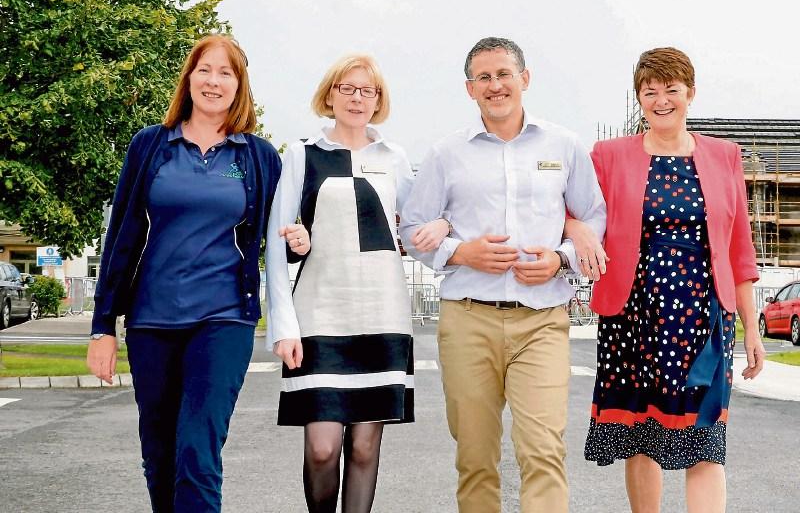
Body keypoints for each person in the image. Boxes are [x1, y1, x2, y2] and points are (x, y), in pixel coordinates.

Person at [399, 37, 607, 513]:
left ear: (524, 79)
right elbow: (412, 229)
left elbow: (592, 216)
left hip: (541, 321)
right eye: (484, 78)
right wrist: (461, 252)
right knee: (475, 458)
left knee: (544, 453)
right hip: (468, 320)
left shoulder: (564, 145)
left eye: (504, 75)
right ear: (470, 89)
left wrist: (560, 258)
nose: (496, 86)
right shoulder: (445, 154)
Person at [86, 35, 288, 512]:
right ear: (189, 78)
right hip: (152, 320)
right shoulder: (151, 145)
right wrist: (103, 326)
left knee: (198, 452)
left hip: (224, 319)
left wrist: (299, 241)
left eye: (225, 73)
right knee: (159, 456)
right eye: (205, 70)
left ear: (240, 87)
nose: (213, 81)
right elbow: (122, 236)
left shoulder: (258, 157)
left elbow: (283, 239)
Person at [573, 46, 765, 513]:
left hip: (704, 314)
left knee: (705, 437)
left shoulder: (724, 156)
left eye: (671, 90)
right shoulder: (608, 155)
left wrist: (752, 328)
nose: (661, 100)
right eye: (650, 91)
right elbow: (574, 207)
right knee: (640, 433)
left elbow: (739, 249)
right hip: (632, 313)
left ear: (690, 94)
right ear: (639, 97)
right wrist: (575, 230)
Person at [266, 53, 449, 513]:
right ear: (329, 95)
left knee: (365, 450)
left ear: (378, 101)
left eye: (367, 90)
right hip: (319, 316)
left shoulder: (395, 158)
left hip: (381, 313)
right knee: (323, 449)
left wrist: (444, 227)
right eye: (347, 88)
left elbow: (418, 227)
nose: (357, 98)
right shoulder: (302, 154)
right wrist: (282, 323)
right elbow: (278, 241)